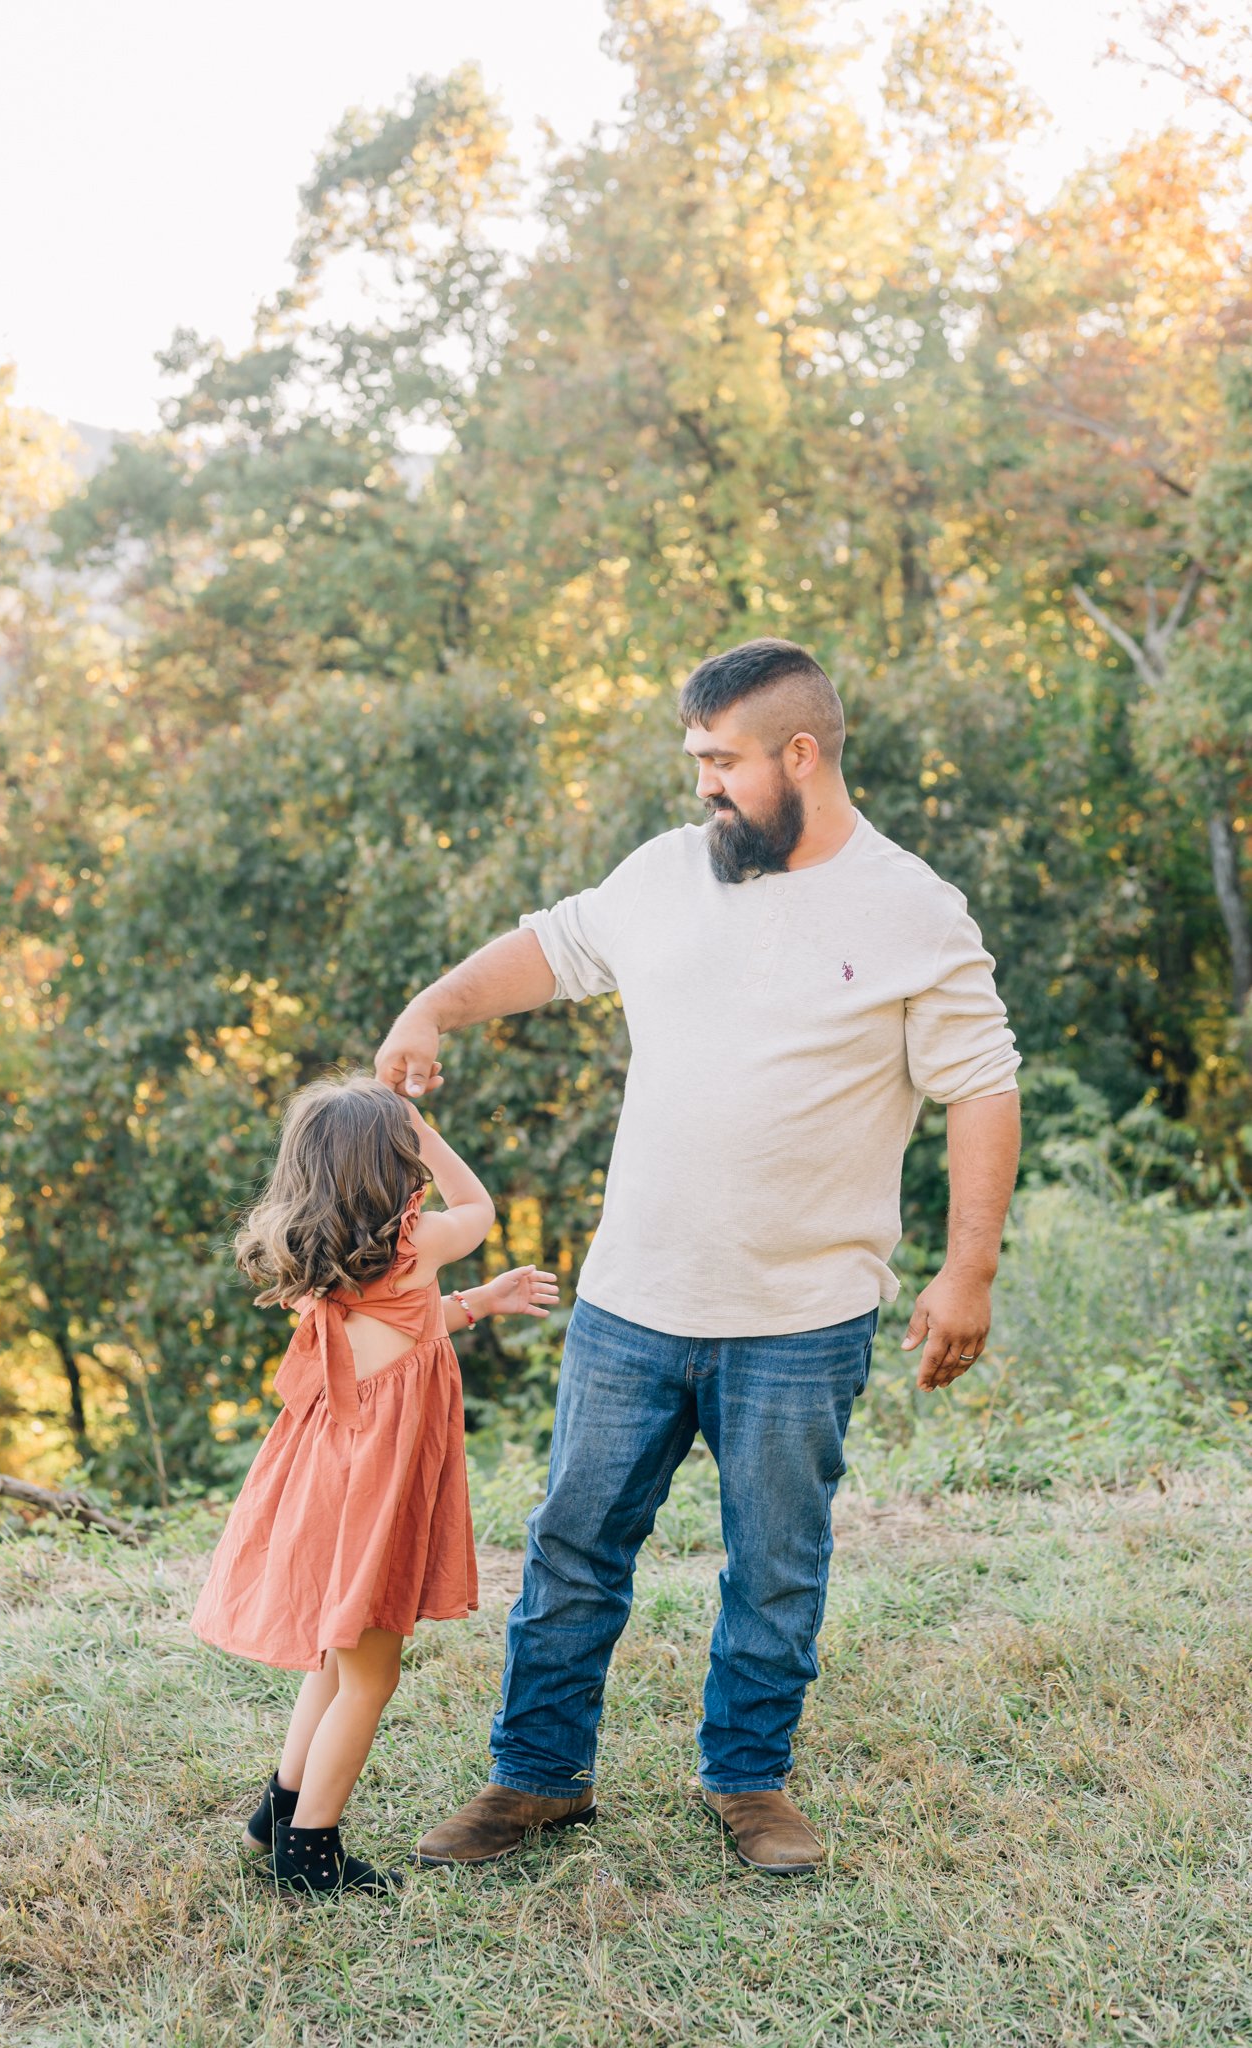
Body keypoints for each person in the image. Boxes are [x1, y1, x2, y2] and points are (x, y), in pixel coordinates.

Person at [373, 637, 1022, 1877]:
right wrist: (435, 1003)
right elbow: (551, 948)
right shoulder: (666, 873)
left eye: (721, 762)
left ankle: (748, 1782)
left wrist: (968, 1269)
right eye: (695, 761)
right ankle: (535, 1778)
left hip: (801, 1313)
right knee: (571, 1545)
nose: (703, 786)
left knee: (776, 1562)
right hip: (632, 1302)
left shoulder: (912, 908)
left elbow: (981, 1089)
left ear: (799, 753)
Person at [190, 1071, 558, 1896]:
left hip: (331, 1469)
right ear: (392, 1165)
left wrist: (478, 1304)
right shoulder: (412, 1239)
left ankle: (280, 1809)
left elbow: (398, 1327)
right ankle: (310, 1851)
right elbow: (482, 1209)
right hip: (374, 1479)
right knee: (371, 1674)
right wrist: (422, 1128)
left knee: (337, 1653)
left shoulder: (326, 1251)